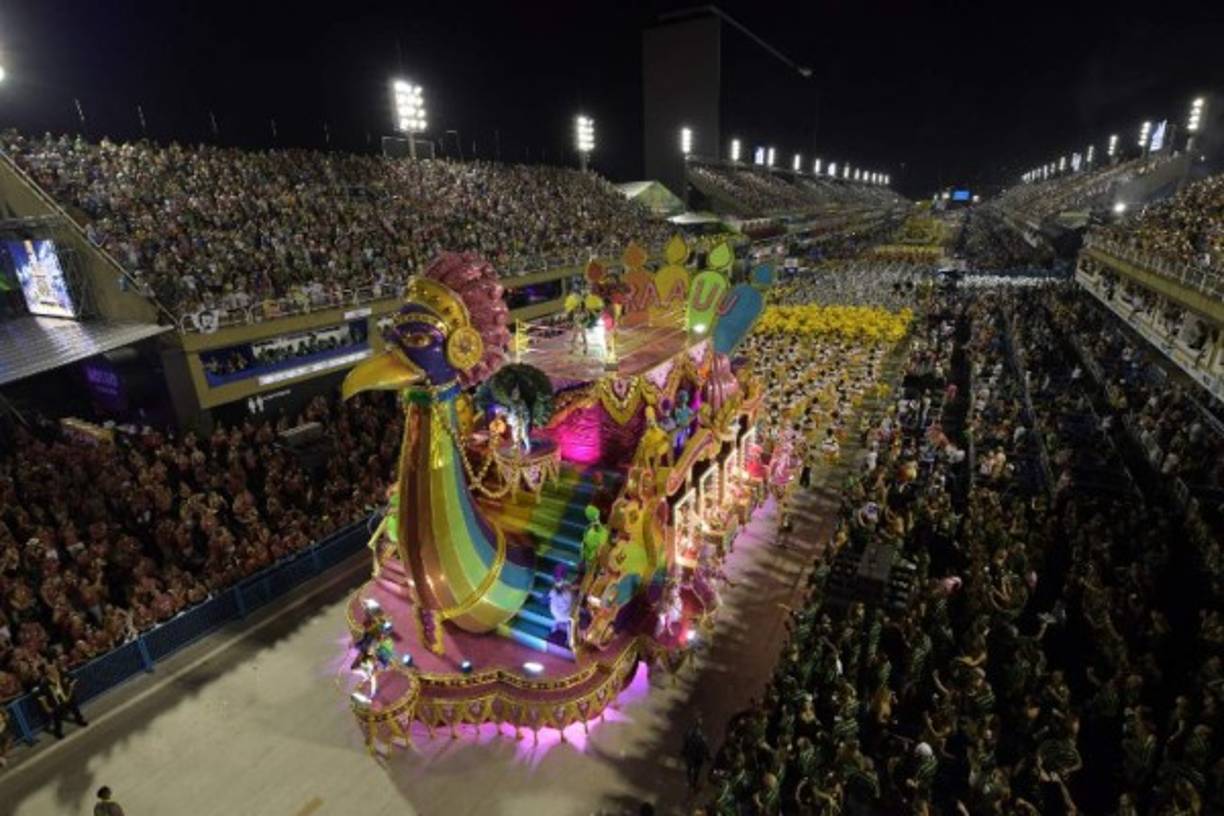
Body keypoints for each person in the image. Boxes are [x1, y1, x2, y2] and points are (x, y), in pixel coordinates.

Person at [34, 662, 87, 739]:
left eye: (54, 668)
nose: (54, 670)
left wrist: (71, 689)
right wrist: (47, 707)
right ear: (48, 672)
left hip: (67, 698)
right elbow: (42, 697)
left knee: (75, 710)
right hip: (55, 703)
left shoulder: (63, 674)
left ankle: (80, 721)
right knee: (57, 719)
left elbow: (73, 680)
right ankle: (58, 732)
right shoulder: (44, 683)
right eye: (51, 669)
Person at [683, 713, 712, 792]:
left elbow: (685, 743)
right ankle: (693, 784)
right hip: (697, 757)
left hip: (690, 755)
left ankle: (691, 783)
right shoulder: (701, 737)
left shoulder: (689, 733)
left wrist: (684, 751)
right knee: (696, 771)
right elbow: (705, 748)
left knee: (689, 769)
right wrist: (708, 757)